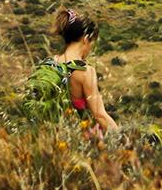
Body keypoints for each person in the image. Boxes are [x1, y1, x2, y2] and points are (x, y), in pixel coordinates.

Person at [24, 8, 120, 137]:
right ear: (86, 39)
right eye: (92, 43)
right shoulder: (85, 71)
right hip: (75, 142)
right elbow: (99, 115)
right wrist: (123, 140)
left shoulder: (48, 63)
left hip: (47, 138)